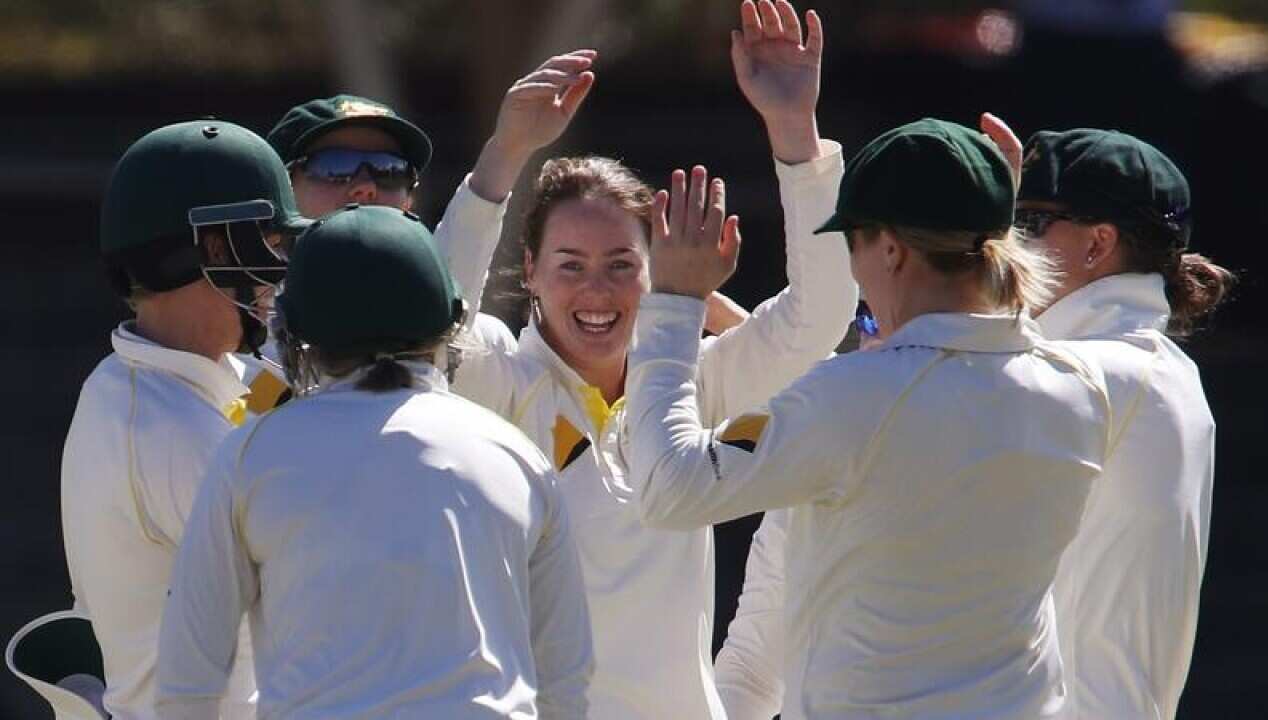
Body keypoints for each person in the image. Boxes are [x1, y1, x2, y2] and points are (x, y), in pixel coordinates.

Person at [441, 2, 856, 716]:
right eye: (569, 265)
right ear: (530, 270)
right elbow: (433, 331)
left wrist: (794, 131)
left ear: (655, 271)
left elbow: (818, 317)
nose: (596, 290)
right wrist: (503, 156)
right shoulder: (500, 383)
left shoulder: (689, 385)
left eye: (620, 265)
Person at [625, 117, 1115, 718]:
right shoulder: (1080, 388)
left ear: (889, 248)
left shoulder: (855, 396)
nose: (855, 271)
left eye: (851, 241)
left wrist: (673, 304)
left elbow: (669, 488)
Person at [155, 205, 593, 719]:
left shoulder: (251, 455)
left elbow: (188, 681)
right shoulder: (518, 456)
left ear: (297, 331)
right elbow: (565, 681)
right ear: (449, 321)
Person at [60, 119, 308, 719]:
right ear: (216, 250)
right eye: (270, 243)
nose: (279, 269)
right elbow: (325, 585)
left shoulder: (169, 382)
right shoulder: (166, 428)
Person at [986, 120, 1231, 719]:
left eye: (1028, 224)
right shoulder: (1145, 369)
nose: (1003, 245)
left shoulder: (1094, 374)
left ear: (1097, 244)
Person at [232, 54, 598, 415]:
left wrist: (509, 149)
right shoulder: (228, 347)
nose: (365, 187)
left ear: (410, 200)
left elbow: (440, 296)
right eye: (335, 167)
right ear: (281, 192)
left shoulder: (482, 344)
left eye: (388, 170)